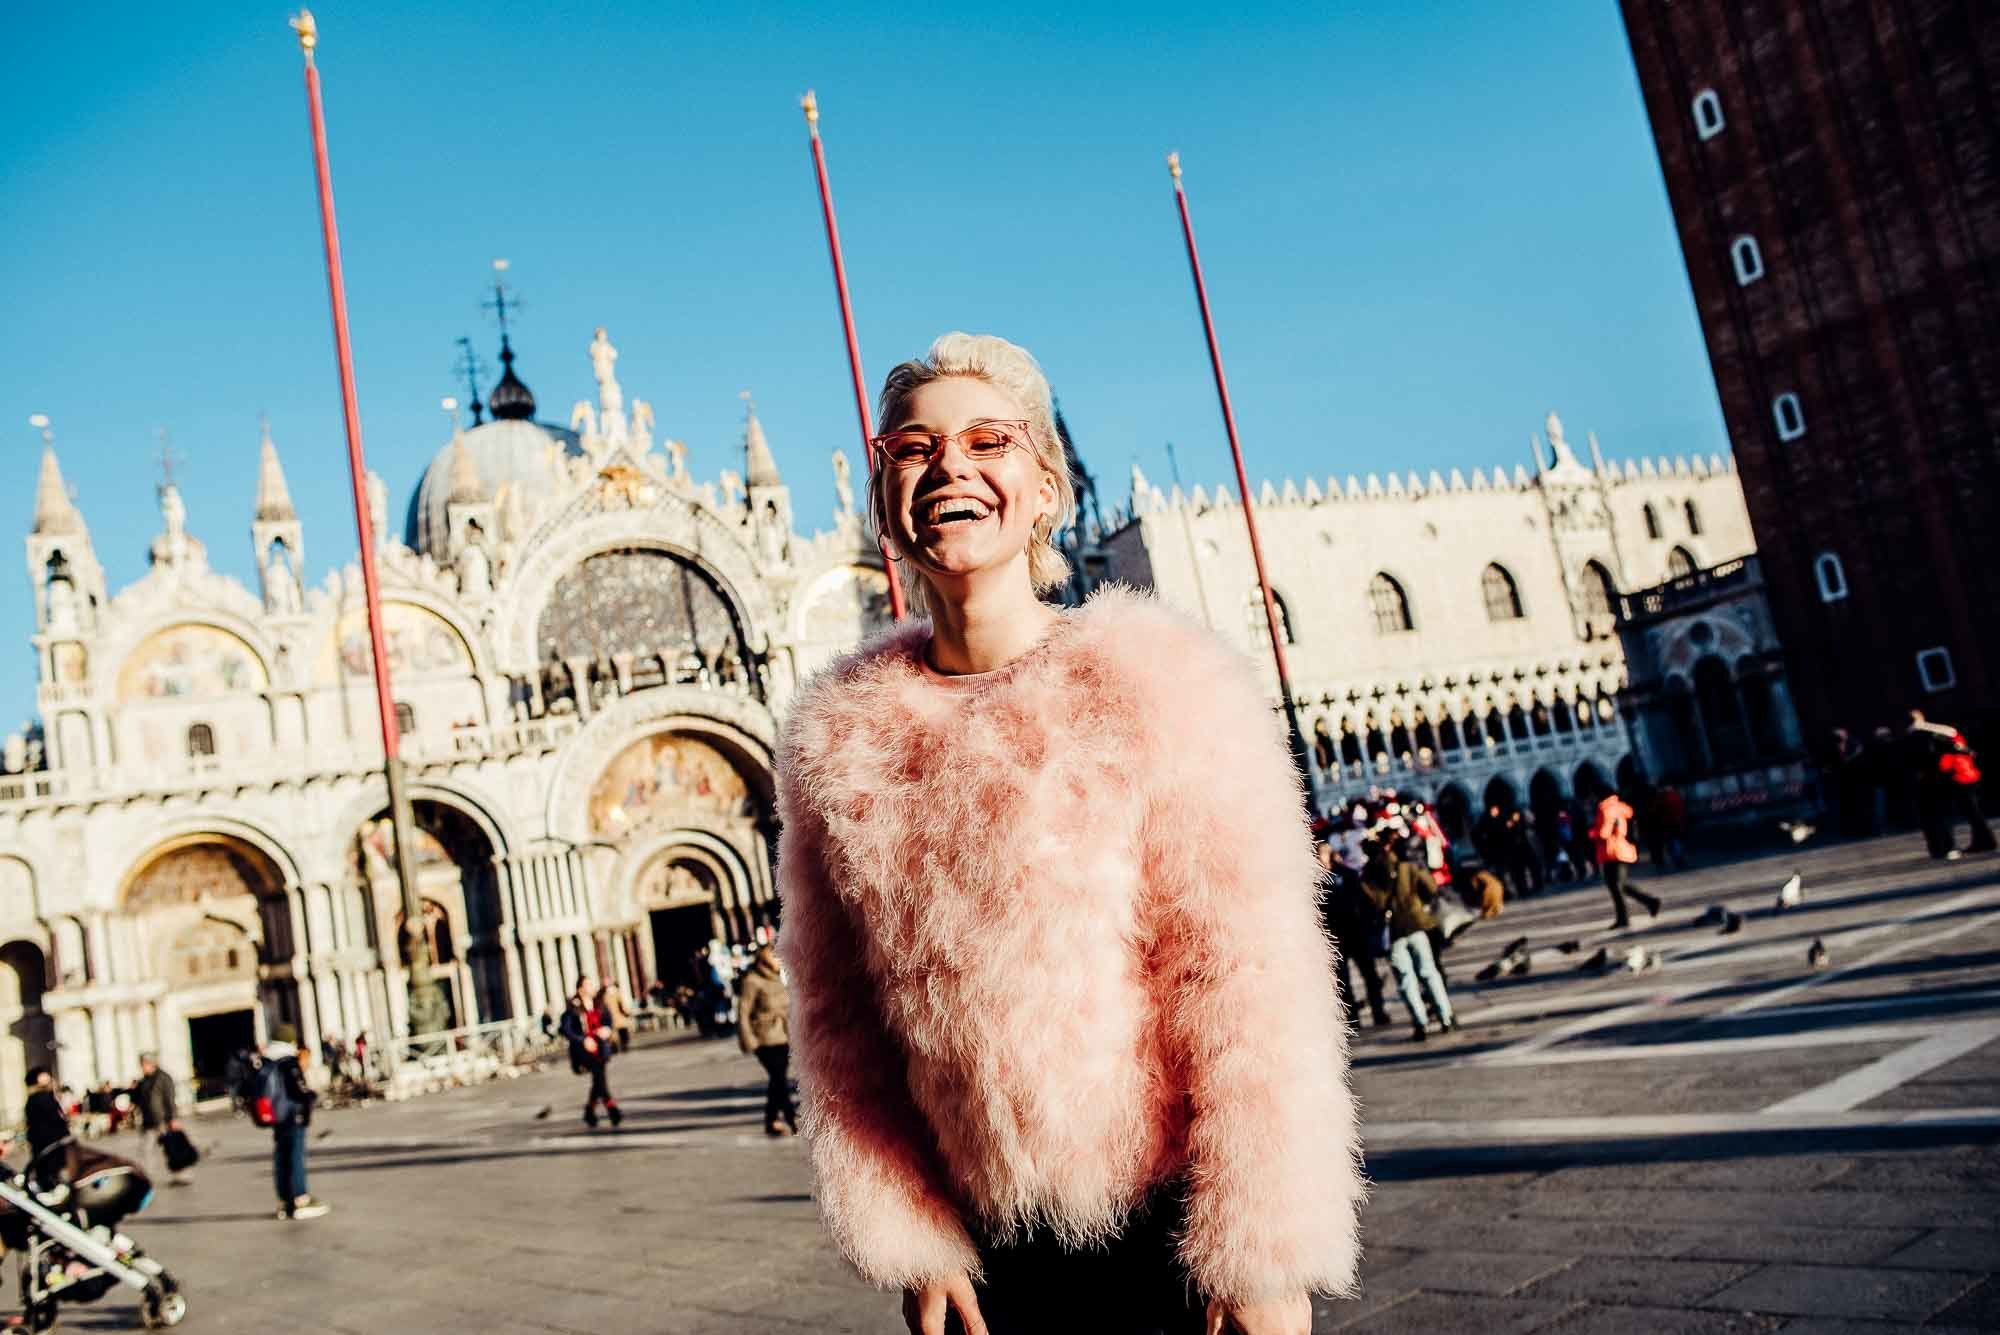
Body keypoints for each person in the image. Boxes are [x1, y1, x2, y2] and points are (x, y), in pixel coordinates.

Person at [778, 335, 1359, 1335]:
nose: (948, 467)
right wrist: (909, 1237)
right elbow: (838, 1018)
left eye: (985, 440)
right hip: (986, 1253)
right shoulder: (840, 732)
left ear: (1042, 485)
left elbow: (1249, 981)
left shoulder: (1158, 679)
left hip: (1169, 1231)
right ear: (883, 500)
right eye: (912, 449)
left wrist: (1260, 1247)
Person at [1360, 839, 1458, 1043]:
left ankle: (1420, 1022)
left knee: (1406, 981)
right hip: (1415, 925)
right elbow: (1431, 887)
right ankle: (1446, 1017)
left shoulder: (1368, 877)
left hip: (1393, 934)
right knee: (1429, 973)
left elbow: (1372, 905)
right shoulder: (1405, 866)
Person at [1317, 840, 1390, 1029]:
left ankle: (1378, 1011)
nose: (1321, 858)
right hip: (1334, 937)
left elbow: (1363, 900)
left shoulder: (1347, 874)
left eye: (1324, 854)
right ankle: (1352, 1019)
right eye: (1319, 854)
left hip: (1356, 932)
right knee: (1343, 981)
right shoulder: (1315, 884)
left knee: (1370, 974)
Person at [1904, 709, 1995, 860]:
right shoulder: (1943, 729)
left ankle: (1946, 848)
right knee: (1972, 811)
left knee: (1942, 814)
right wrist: (1968, 752)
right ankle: (1984, 841)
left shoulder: (1919, 734)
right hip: (1967, 773)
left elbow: (1934, 754)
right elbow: (1961, 749)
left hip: (1951, 776)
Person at [260, 1024, 328, 1220]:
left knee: (281, 1156)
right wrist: (311, 1096)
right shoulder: (289, 1062)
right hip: (292, 1114)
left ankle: (284, 1201)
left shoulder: (266, 1060)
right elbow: (299, 1091)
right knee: (296, 1156)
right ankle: (301, 1198)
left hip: (277, 1117)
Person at [736, 945, 798, 1137]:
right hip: (763, 1039)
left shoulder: (777, 979)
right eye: (773, 957)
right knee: (779, 1079)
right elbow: (743, 1013)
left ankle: (771, 1120)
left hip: (782, 1036)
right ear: (763, 960)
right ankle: (791, 1117)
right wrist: (748, 1040)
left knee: (777, 1080)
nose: (777, 960)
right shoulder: (751, 981)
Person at [1592, 788, 1662, 928]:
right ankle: (1650, 902)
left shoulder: (1606, 809)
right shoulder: (1620, 808)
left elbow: (1604, 833)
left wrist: (1592, 833)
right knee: (1620, 885)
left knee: (1616, 887)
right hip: (1622, 850)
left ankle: (1624, 919)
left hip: (1611, 852)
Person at [558, 977, 622, 1129]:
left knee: (598, 1081)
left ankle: (590, 1111)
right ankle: (612, 1110)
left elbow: (608, 1020)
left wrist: (606, 1029)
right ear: (580, 989)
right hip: (585, 1050)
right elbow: (566, 1030)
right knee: (599, 1079)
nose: (592, 987)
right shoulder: (573, 1008)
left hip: (601, 1047)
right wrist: (583, 1040)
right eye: (588, 984)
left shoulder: (599, 1003)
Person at [132, 1053, 191, 1186]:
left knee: (172, 1149)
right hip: (149, 1122)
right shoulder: (144, 1081)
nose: (141, 1067)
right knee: (145, 1149)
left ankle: (182, 1175)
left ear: (150, 1063)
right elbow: (139, 1100)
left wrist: (173, 1118)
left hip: (164, 1120)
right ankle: (146, 1177)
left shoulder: (164, 1078)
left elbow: (170, 1099)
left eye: (143, 1064)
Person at [22, 1067, 71, 1190]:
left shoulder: (42, 1096)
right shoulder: (40, 1098)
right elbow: (55, 1118)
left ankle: (51, 1187)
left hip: (47, 1140)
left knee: (48, 1170)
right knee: (49, 1169)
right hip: (48, 1141)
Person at [601, 981, 635, 1054]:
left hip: (610, 1018)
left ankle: (614, 1047)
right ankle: (623, 1046)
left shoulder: (604, 995)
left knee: (613, 1035)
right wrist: (627, 1012)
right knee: (623, 1033)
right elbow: (622, 1005)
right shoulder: (617, 993)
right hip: (619, 1017)